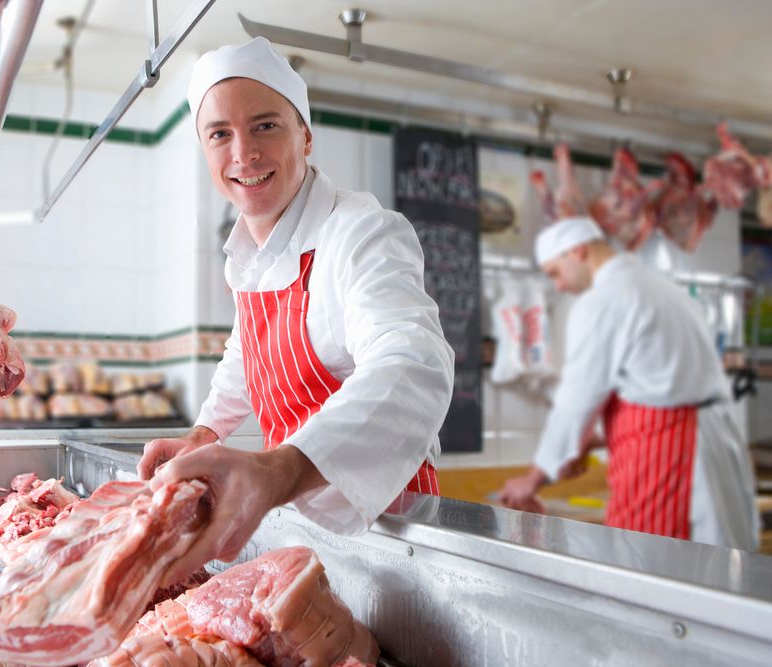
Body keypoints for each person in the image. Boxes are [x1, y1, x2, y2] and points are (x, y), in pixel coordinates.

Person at [138, 37, 455, 583]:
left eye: (265, 125)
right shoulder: (250, 255)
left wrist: (279, 468)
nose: (243, 153)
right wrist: (206, 431)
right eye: (220, 134)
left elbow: (414, 363)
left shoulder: (362, 233)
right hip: (298, 521)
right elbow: (247, 355)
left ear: (305, 136)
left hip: (388, 532)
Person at [498, 216, 759, 549]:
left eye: (555, 273)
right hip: (707, 442)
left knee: (653, 565)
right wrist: (593, 441)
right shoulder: (658, 286)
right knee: (712, 569)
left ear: (577, 252)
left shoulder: (604, 299)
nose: (559, 286)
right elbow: (658, 384)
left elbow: (578, 397)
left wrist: (534, 477)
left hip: (669, 454)